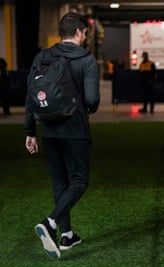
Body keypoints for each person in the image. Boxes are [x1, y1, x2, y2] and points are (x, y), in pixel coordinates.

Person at [24, 12, 100, 259]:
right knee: (79, 181)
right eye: (86, 32)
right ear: (79, 32)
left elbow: (31, 95)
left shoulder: (43, 56)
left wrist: (29, 131)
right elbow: (92, 100)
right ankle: (51, 223)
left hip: (48, 129)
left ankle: (67, 236)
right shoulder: (87, 60)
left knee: (60, 183)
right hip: (75, 128)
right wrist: (88, 108)